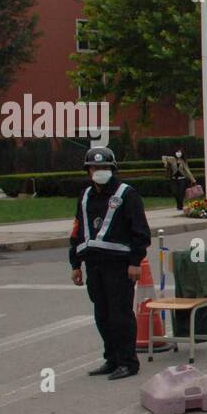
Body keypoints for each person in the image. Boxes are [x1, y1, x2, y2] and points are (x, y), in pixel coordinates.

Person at [69, 146, 151, 380]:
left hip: (120, 266)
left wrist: (136, 261)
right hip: (93, 265)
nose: (99, 171)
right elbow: (78, 230)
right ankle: (112, 358)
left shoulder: (127, 194)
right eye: (95, 167)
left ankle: (128, 362)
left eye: (104, 167)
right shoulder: (85, 196)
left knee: (120, 315)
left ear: (112, 169)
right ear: (88, 170)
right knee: (102, 315)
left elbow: (140, 232)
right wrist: (75, 264)